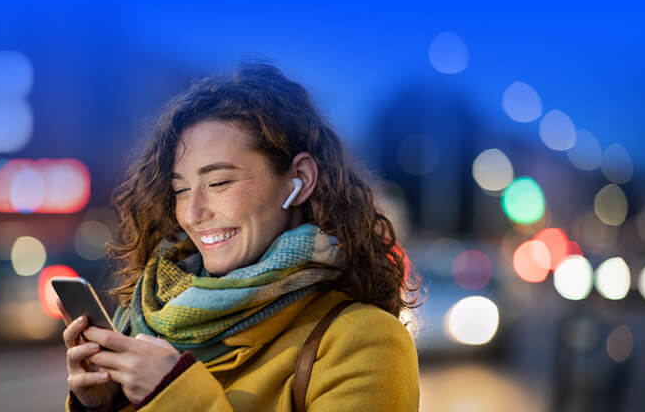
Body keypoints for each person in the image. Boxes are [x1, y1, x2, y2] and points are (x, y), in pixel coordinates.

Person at [61, 62, 420, 411]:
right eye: (181, 190)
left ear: (301, 179)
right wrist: (106, 404)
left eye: (219, 183)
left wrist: (174, 395)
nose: (191, 214)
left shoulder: (364, 340)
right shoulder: (142, 321)